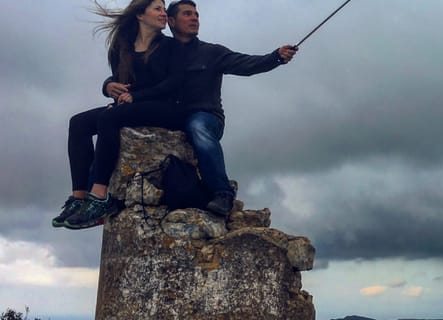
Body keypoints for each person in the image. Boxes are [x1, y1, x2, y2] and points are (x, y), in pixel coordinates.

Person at [52, 0, 188, 229]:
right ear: (140, 15)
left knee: (109, 118)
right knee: (78, 123)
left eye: (164, 9)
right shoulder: (121, 46)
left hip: (167, 108)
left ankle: (100, 196)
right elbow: (119, 80)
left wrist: (137, 97)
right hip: (133, 107)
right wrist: (109, 87)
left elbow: (175, 84)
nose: (164, 14)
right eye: (158, 8)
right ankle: (79, 197)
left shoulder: (170, 46)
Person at [159, 0, 297, 216]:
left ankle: (223, 194)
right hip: (171, 115)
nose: (195, 18)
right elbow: (134, 69)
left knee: (198, 127)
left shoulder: (212, 52)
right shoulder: (161, 51)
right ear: (171, 21)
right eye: (187, 14)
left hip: (206, 117)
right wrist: (110, 85)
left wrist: (276, 57)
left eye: (196, 14)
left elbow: (247, 65)